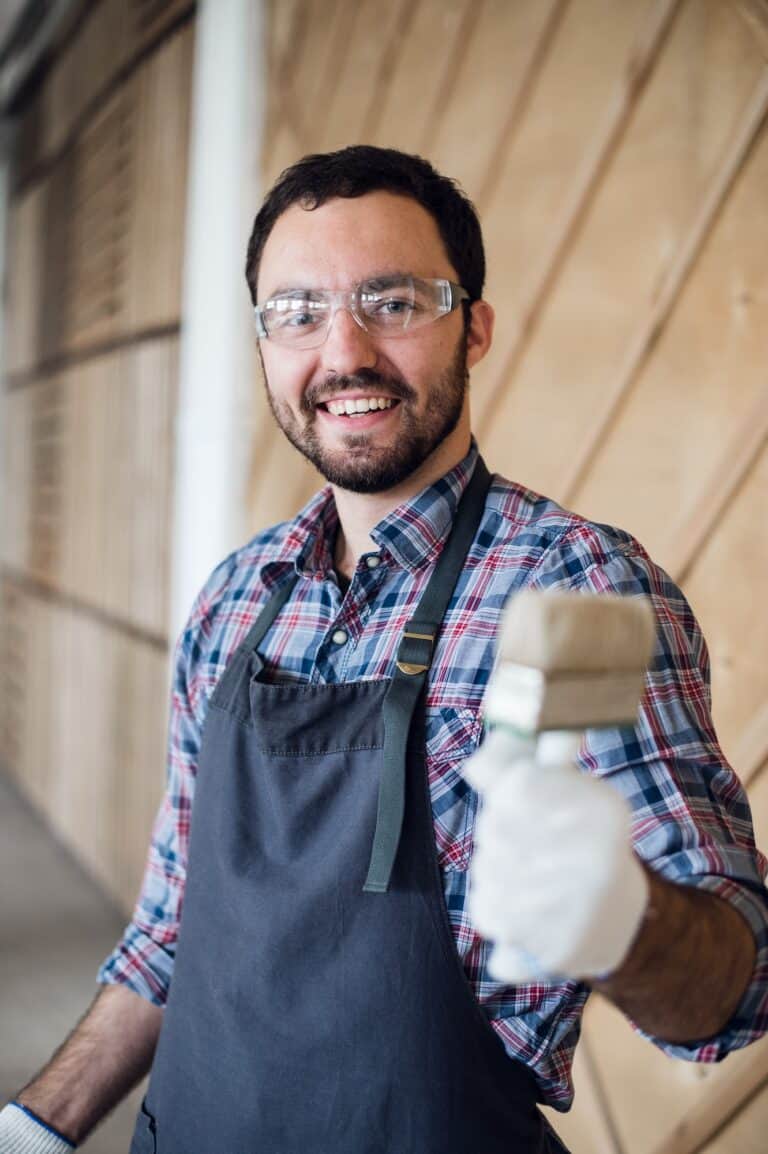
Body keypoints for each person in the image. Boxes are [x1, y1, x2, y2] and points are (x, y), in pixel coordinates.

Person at [2, 146, 767, 1154]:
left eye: (393, 300)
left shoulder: (580, 585)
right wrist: (37, 1124)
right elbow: (168, 933)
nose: (344, 350)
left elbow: (736, 991)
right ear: (265, 343)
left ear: (475, 326)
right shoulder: (236, 598)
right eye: (298, 311)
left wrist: (624, 918)